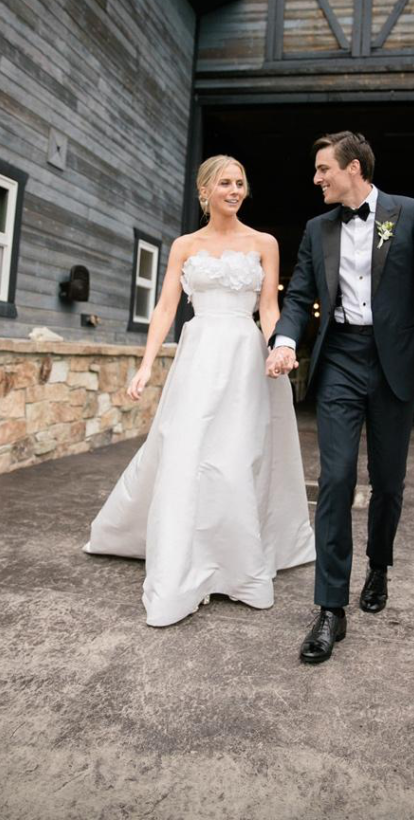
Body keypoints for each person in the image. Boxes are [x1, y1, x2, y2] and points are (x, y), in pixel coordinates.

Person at [85, 155, 315, 626]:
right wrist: (146, 365)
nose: (234, 190)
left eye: (240, 183)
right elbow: (167, 306)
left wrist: (279, 347)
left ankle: (237, 568)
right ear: (204, 191)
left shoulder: (264, 243)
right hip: (198, 353)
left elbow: (269, 307)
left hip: (244, 357)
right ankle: (181, 565)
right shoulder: (184, 246)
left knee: (235, 457)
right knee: (188, 453)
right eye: (225, 183)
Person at [265, 131, 414, 664]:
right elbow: (299, 293)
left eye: (324, 169)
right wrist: (284, 341)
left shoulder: (410, 213)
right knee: (336, 477)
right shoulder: (315, 228)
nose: (316, 179)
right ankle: (330, 609)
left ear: (354, 168)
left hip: (396, 360)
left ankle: (378, 564)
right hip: (341, 360)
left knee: (389, 482)